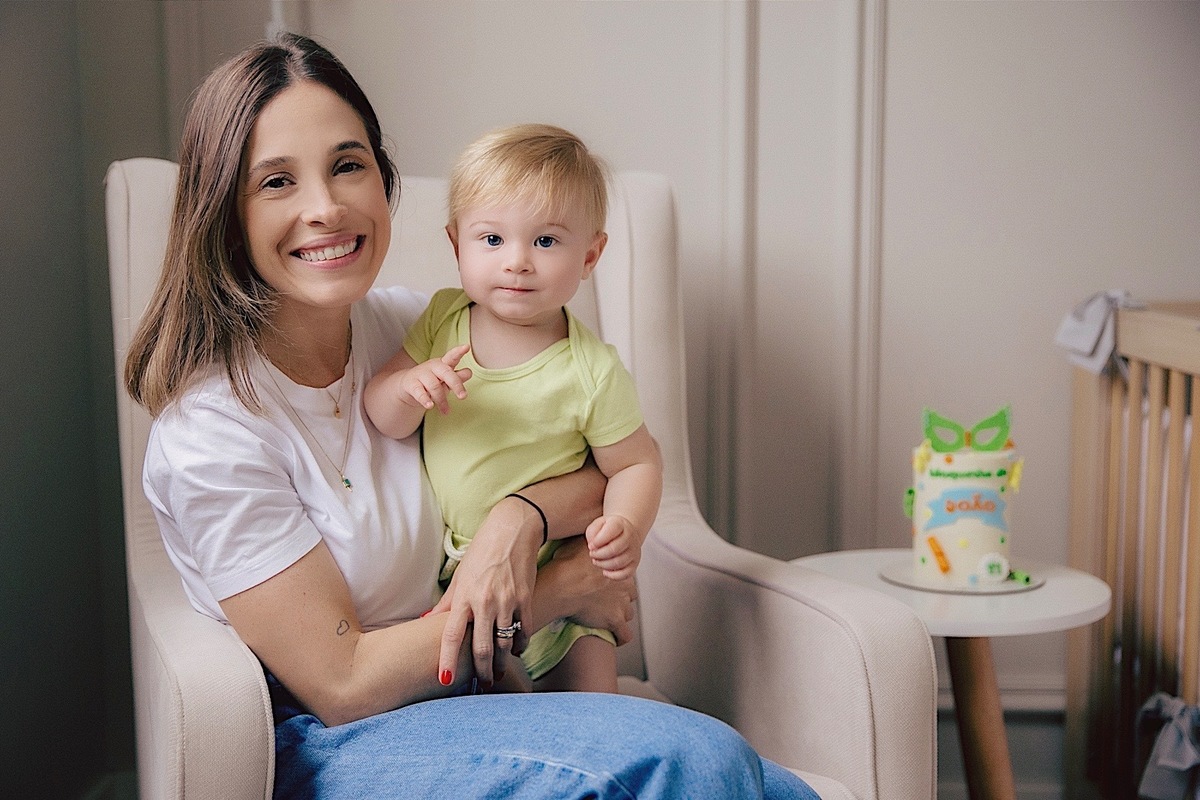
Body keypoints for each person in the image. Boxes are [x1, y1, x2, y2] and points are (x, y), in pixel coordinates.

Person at [124, 31, 819, 799]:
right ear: (225, 213)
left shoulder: (414, 326)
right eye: (277, 182)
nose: (325, 207)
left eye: (347, 165)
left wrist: (515, 522)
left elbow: (595, 462)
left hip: (473, 689)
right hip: (336, 739)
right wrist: (558, 591)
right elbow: (343, 682)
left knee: (759, 780)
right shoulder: (211, 433)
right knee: (695, 759)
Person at [364, 124, 663, 693]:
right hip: (460, 572)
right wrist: (408, 388)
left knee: (595, 713)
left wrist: (626, 524)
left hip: (564, 585)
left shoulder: (592, 370)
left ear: (590, 255)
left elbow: (636, 464)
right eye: (492, 240)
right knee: (490, 699)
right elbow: (381, 411)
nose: (518, 262)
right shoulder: (444, 319)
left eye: (546, 242)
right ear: (456, 245)